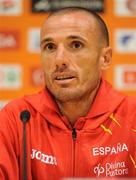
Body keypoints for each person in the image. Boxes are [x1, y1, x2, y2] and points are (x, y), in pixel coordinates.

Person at [0, 6, 136, 180]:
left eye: (76, 45)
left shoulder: (132, 118)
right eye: (50, 47)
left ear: (105, 58)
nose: (59, 60)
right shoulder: (16, 118)